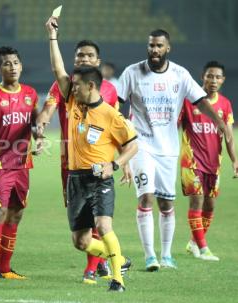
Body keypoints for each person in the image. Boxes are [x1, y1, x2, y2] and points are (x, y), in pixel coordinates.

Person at [117, 29, 230, 271]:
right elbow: (115, 105)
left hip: (168, 149)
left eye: (159, 46)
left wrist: (219, 122)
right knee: (145, 197)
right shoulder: (132, 73)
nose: (154, 50)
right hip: (141, 146)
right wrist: (120, 142)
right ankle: (150, 257)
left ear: (168, 48)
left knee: (166, 204)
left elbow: (200, 100)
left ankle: (166, 255)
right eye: (151, 46)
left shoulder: (179, 74)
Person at [45, 17, 136, 292]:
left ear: (91, 86)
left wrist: (116, 165)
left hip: (99, 177)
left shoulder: (111, 114)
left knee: (104, 226)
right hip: (75, 178)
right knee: (80, 241)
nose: (72, 87)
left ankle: (117, 279)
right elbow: (58, 68)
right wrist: (52, 37)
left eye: (78, 84)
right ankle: (117, 258)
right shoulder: (73, 100)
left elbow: (133, 145)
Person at [37, 39, 119, 284]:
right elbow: (48, 109)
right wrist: (40, 125)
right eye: (80, 55)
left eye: (89, 55)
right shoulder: (66, 87)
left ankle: (93, 268)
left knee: (98, 217)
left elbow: (116, 127)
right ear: (74, 61)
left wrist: (117, 161)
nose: (84, 59)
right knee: (80, 223)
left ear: (98, 61)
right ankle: (109, 259)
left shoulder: (110, 92)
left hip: (97, 163)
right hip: (70, 164)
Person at [0, 46, 42, 284]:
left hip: (23, 164)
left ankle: (5, 268)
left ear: (21, 66)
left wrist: (40, 137)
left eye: (15, 62)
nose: (12, 67)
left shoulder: (31, 93)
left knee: (16, 214)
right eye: (6, 63)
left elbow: (35, 124)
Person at [180, 61, 237, 261]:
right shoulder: (188, 102)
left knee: (210, 206)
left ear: (223, 80)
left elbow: (229, 135)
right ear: (202, 77)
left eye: (217, 77)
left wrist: (234, 160)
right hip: (192, 162)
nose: (213, 80)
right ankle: (204, 249)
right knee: (197, 201)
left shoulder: (225, 104)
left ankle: (194, 242)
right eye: (209, 76)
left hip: (214, 164)